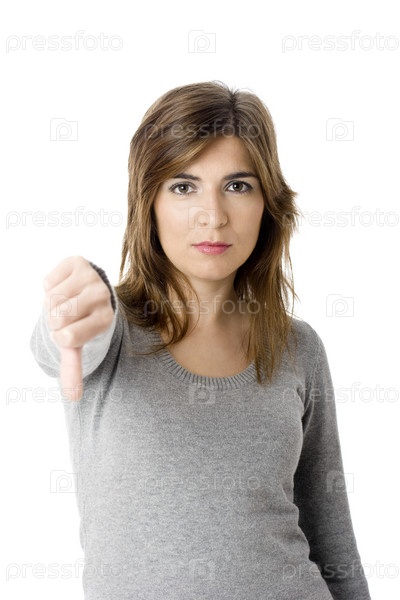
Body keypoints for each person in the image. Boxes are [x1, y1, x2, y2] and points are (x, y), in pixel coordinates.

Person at [30, 81, 372, 600]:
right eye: (183, 187)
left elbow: (331, 537)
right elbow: (55, 343)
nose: (213, 215)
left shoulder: (298, 347)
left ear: (267, 202)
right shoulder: (109, 330)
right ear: (148, 201)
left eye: (238, 185)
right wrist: (75, 304)